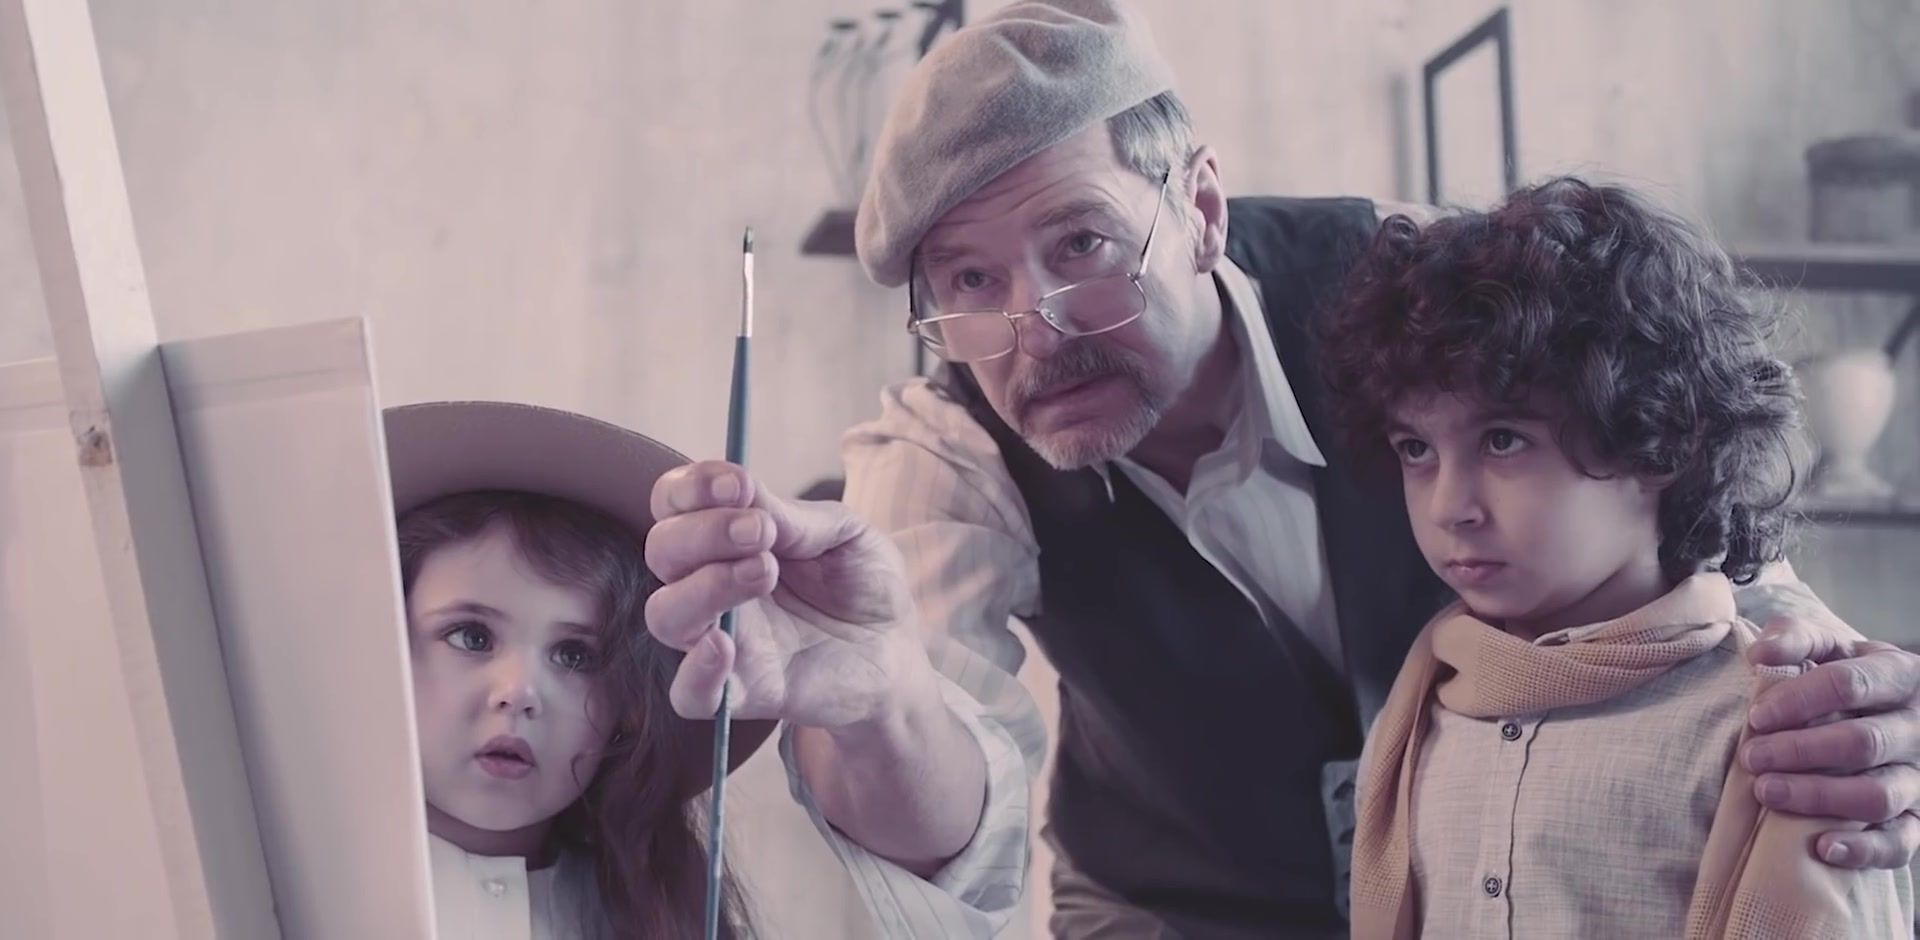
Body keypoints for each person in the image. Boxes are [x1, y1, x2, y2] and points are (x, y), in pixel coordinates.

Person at [644, 2, 1920, 936]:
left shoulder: (1427, 284)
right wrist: (877, 702)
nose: (1035, 328)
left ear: (1200, 208)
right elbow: (949, 819)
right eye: (970, 282)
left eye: (1081, 243)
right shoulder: (942, 452)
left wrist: (1833, 692)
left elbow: (1688, 507)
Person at [1327, 178, 1912, 937]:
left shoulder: (1777, 732)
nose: (1448, 506)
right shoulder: (1418, 715)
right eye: (1416, 449)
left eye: (1503, 440)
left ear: (1659, 440)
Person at [383, 401, 1011, 938]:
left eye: (576, 656)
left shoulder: (660, 913)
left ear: (628, 706)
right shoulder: (321, 895)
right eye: (471, 637)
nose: (519, 692)